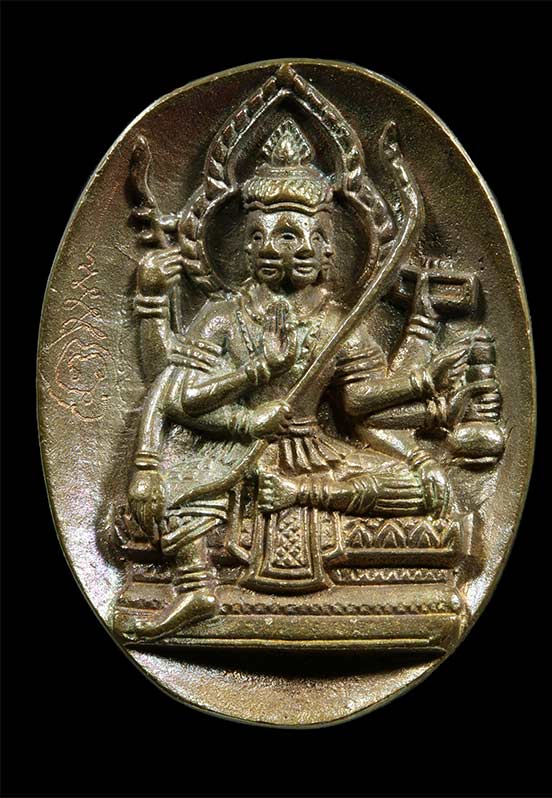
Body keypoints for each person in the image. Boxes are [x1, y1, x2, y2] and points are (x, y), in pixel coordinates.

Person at [124, 120, 492, 638]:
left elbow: (358, 406)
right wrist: (155, 308)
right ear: (246, 250)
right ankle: (197, 587)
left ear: (327, 252)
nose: (284, 249)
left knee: (424, 491)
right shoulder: (223, 315)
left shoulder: (337, 323)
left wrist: (422, 404)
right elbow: (171, 390)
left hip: (318, 454)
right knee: (155, 506)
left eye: (302, 237)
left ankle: (302, 493)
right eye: (266, 236)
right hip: (236, 451)